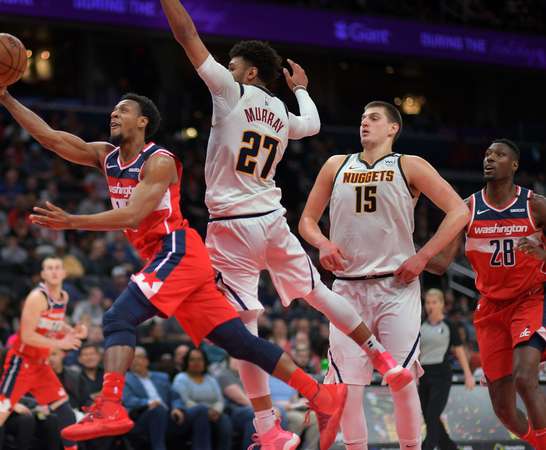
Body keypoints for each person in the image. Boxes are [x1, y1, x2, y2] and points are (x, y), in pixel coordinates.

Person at [0, 64, 349, 450]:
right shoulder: (105, 156)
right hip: (173, 261)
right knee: (239, 343)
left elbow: (134, 215)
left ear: (142, 122)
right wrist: (4, 96)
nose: (113, 115)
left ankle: (110, 405)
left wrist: (74, 221)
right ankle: (322, 395)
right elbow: (50, 138)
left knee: (118, 316)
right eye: (113, 111)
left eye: (121, 110)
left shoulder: (160, 161)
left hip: (178, 249)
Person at [159, 1, 413, 448]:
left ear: (249, 72)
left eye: (233, 64)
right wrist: (302, 89)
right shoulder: (279, 111)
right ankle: (385, 359)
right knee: (320, 294)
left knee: (244, 326)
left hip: (231, 226)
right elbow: (311, 125)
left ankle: (268, 430)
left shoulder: (229, 91)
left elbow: (186, 35)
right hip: (273, 219)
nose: (227, 68)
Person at [298, 101, 470, 450]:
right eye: (362, 118)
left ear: (393, 128)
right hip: (347, 290)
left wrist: (423, 256)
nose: (365, 123)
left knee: (402, 382)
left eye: (374, 118)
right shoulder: (336, 165)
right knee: (349, 386)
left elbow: (458, 211)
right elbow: (306, 221)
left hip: (397, 285)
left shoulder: (409, 164)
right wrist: (322, 244)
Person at [427, 139, 546, 450]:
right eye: (487, 154)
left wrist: (542, 255)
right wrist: (401, 252)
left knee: (524, 377)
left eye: (499, 154)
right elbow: (440, 264)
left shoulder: (535, 205)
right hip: (490, 309)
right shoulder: (467, 208)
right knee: (504, 411)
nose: (489, 159)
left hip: (530, 299)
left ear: (515, 165)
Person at [0, 256, 87, 450]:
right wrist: (59, 342)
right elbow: (26, 336)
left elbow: (55, 324)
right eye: (49, 268)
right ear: (43, 275)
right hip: (21, 363)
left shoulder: (63, 297)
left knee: (66, 412)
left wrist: (73, 332)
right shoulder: (37, 298)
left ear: (63, 273)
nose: (53, 271)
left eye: (57, 268)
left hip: (40, 365)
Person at [419, 288, 475, 450]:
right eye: (428, 302)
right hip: (423, 374)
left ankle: (426, 447)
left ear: (442, 304)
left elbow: (459, 349)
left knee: (432, 415)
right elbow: (417, 351)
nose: (430, 306)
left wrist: (468, 375)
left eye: (434, 302)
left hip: (441, 375)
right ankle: (450, 447)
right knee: (428, 416)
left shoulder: (449, 324)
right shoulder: (421, 325)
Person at [125, 346, 211, 450]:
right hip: (143, 417)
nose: (136, 360)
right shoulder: (125, 379)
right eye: (132, 358)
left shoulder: (162, 377)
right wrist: (149, 402)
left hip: (168, 417)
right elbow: (127, 399)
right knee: (158, 408)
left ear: (146, 361)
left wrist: (177, 408)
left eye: (139, 357)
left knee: (201, 409)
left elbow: (174, 397)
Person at [172, 348, 232, 450]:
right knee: (201, 411)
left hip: (212, 413)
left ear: (205, 362)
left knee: (224, 420)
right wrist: (205, 412)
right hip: (189, 414)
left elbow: (219, 400)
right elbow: (184, 401)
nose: (196, 362)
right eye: (192, 359)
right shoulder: (181, 378)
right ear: (187, 362)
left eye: (200, 359)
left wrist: (216, 411)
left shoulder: (211, 379)